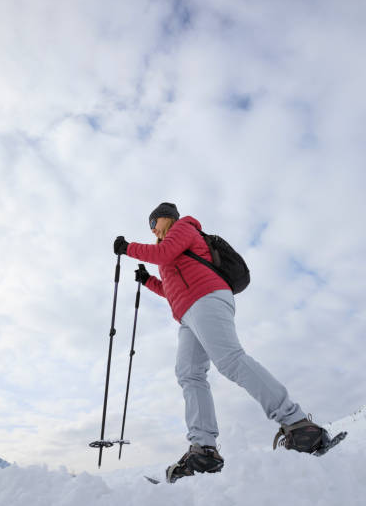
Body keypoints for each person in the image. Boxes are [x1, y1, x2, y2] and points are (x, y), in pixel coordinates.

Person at [114, 202, 327, 483]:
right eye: (150, 226)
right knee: (189, 374)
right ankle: (204, 450)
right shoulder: (170, 248)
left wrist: (128, 248)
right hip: (188, 313)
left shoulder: (183, 229)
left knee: (230, 361)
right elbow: (171, 289)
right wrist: (148, 281)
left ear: (167, 218)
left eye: (154, 221)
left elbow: (162, 253)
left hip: (206, 299)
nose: (152, 228)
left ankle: (298, 424)